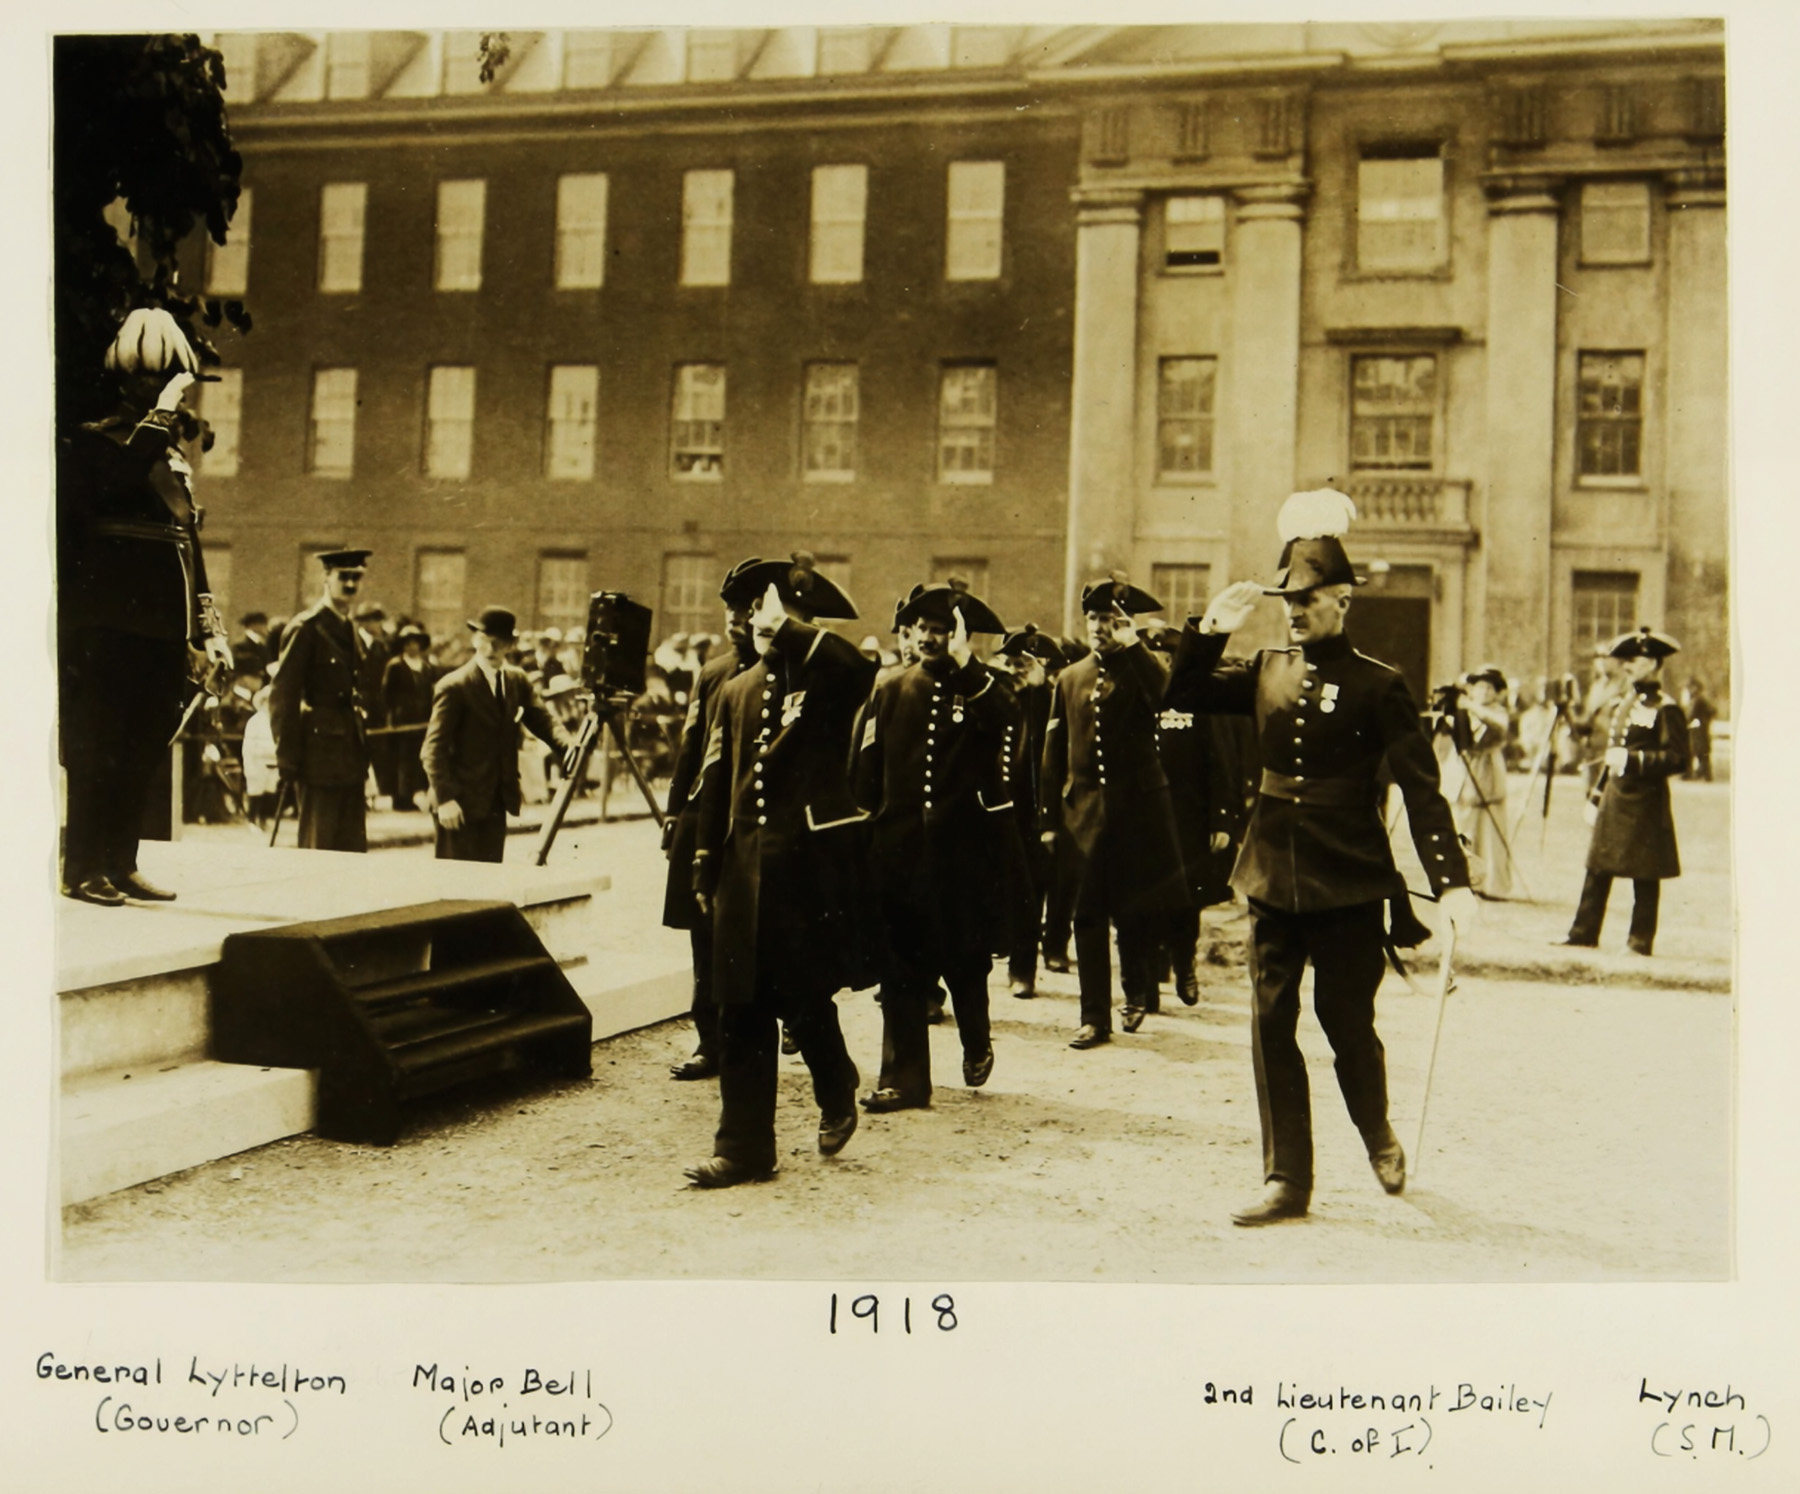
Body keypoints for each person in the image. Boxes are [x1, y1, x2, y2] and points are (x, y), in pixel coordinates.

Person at [1166, 488, 1477, 1226]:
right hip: (1271, 871)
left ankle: (1376, 1132)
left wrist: (1452, 885)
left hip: (1348, 879)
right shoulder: (1266, 668)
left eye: (1308, 599)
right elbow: (1181, 690)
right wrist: (1210, 629)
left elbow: (1422, 790)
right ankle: (1287, 1179)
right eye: (1288, 601)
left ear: (1343, 600)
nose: (1295, 612)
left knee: (1345, 1021)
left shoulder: (1381, 685)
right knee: (1271, 1023)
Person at [687, 556, 876, 1187]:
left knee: (802, 998)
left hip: (805, 872)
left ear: (804, 621)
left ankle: (835, 1083)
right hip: (744, 874)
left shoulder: (826, 682)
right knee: (739, 1008)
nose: (765, 624)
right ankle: (744, 1148)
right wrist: (705, 860)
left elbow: (857, 670)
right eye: (758, 614)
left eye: (782, 615)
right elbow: (718, 780)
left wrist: (788, 631)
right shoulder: (735, 690)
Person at [56, 307, 233, 904]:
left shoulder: (169, 459)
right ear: (131, 383)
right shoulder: (96, 443)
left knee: (141, 748)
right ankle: (82, 867)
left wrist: (209, 630)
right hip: (105, 624)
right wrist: (158, 417)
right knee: (98, 747)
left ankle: (120, 860)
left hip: (160, 625)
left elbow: (189, 545)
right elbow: (116, 488)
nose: (173, 399)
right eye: (159, 382)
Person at [852, 582, 1014, 1111]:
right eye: (921, 627)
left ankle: (976, 1039)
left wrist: (970, 665)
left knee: (965, 961)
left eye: (941, 629)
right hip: (900, 854)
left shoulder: (984, 688)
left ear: (959, 636)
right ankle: (904, 1079)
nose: (928, 636)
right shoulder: (891, 688)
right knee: (899, 968)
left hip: (961, 856)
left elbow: (1007, 720)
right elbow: (867, 770)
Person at [1041, 576, 1191, 1048]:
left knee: (1134, 911)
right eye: (1094, 618)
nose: (1099, 628)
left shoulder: (1140, 669)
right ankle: (1093, 1017)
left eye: (1109, 620)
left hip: (1137, 812)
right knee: (1086, 914)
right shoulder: (1070, 678)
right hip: (1084, 815)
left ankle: (1136, 993)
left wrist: (1137, 649)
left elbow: (1168, 695)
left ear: (1123, 624)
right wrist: (1048, 820)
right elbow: (1053, 752)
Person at [661, 562, 762, 1081]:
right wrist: (675, 812)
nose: (735, 619)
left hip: (755, 824)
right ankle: (710, 1043)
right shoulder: (713, 672)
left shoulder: (780, 674)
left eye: (745, 610)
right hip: (707, 820)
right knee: (703, 935)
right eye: (730, 609)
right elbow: (691, 746)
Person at [1560, 627, 1689, 956]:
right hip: (1615, 797)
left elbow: (1678, 758)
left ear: (1655, 664)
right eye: (1627, 658)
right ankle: (1583, 933)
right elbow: (1613, 751)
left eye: (1637, 658)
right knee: (1597, 866)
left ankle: (1639, 941)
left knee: (1645, 873)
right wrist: (1596, 795)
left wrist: (1635, 760)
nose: (1629, 664)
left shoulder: (1666, 707)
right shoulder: (1622, 702)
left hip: (1645, 801)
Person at [421, 606, 577, 864]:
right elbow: (432, 749)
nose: (492, 649)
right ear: (474, 640)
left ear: (511, 645)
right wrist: (445, 798)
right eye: (485, 641)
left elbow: (542, 719)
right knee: (454, 886)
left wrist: (569, 745)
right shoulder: (455, 685)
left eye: (500, 643)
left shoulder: (516, 680)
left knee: (490, 883)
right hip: (459, 802)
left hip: (496, 800)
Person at [1143, 623, 1241, 1004]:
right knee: (1144, 901)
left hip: (1187, 820)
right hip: (1146, 819)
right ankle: (1147, 984)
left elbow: (1221, 761)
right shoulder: (1138, 696)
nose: (1159, 666)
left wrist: (1221, 818)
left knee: (1186, 901)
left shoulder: (1195, 700)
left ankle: (1185, 967)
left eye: (1164, 659)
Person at [270, 548, 377, 852]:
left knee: (351, 847)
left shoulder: (350, 629)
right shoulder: (307, 628)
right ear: (326, 578)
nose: (351, 584)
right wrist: (286, 758)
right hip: (317, 753)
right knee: (320, 843)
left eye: (357, 578)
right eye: (344, 577)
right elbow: (283, 697)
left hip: (351, 752)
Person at [995, 624, 1061, 1000]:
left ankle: (1023, 970)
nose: (1017, 670)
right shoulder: (996, 694)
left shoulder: (1048, 699)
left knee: (1029, 893)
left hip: (1032, 813)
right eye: (1012, 662)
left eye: (1025, 663)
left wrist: (1038, 690)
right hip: (994, 809)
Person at [1441, 665, 1519, 900]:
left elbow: (1497, 730)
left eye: (1489, 688)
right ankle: (1464, 880)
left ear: (1497, 693)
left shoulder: (1498, 713)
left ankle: (1494, 885)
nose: (1484, 692)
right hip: (1464, 770)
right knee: (1464, 825)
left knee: (1489, 826)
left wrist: (1469, 706)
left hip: (1487, 771)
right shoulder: (1464, 711)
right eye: (1479, 687)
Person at [381, 624, 437, 811]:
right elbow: (386, 694)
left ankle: (413, 793)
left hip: (421, 719)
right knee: (401, 759)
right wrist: (394, 714)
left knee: (417, 758)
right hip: (401, 720)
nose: (412, 647)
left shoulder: (426, 667)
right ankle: (400, 798)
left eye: (416, 643)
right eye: (408, 643)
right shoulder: (395, 666)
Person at [1680, 676, 1716, 782]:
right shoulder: (1696, 699)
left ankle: (1700, 774)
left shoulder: (1698, 699)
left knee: (1699, 751)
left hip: (1699, 730)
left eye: (1690, 687)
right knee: (1700, 752)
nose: (1689, 690)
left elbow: (1691, 715)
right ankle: (1701, 773)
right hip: (1698, 730)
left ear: (1695, 688)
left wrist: (1702, 720)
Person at [233, 612, 275, 677]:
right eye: (264, 625)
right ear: (255, 625)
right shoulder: (241, 646)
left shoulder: (261, 643)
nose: (267, 629)